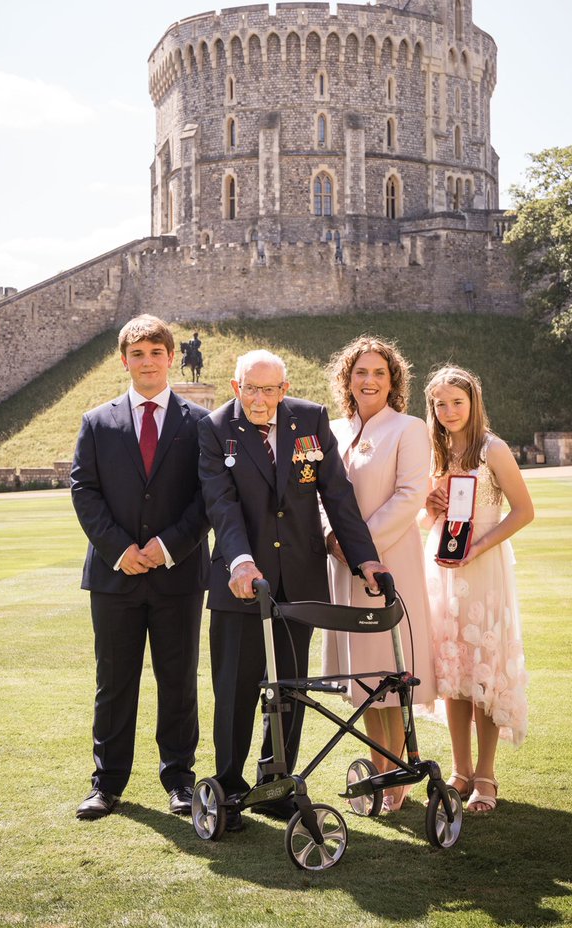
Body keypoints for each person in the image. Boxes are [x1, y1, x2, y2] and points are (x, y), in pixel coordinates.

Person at [198, 348, 388, 829]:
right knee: (237, 689)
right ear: (235, 386)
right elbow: (222, 505)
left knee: (290, 689)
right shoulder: (215, 428)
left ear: (284, 389)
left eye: (270, 390)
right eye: (250, 389)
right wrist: (241, 563)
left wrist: (364, 557)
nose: (260, 400)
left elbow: (337, 495)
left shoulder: (310, 419)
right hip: (243, 585)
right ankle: (230, 788)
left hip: (300, 580)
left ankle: (275, 783)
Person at [71, 314, 210, 820]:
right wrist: (120, 550)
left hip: (178, 574)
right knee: (114, 680)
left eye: (156, 352)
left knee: (178, 680)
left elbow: (207, 496)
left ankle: (179, 780)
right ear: (124, 360)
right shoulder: (97, 421)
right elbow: (84, 490)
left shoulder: (198, 423)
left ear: (171, 357)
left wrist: (167, 546)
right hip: (114, 576)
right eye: (137, 354)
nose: (147, 362)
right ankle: (106, 784)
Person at [322, 336, 437, 812]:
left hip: (389, 563)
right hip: (342, 567)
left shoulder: (409, 429)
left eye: (379, 373)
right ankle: (379, 770)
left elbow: (410, 496)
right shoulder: (331, 430)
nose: (369, 381)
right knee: (365, 679)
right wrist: (333, 539)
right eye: (360, 373)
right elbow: (317, 495)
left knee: (392, 671)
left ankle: (399, 773)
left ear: (393, 381)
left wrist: (361, 548)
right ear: (347, 379)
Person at [421, 365, 534, 814]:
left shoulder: (493, 449)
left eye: (457, 402)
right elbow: (429, 518)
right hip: (445, 566)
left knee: (484, 666)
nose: (449, 411)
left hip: (483, 568)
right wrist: (430, 508)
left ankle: (486, 774)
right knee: (454, 670)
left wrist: (480, 548)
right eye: (441, 404)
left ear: (473, 402)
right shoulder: (436, 448)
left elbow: (524, 511)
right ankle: (460, 769)